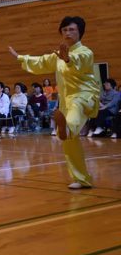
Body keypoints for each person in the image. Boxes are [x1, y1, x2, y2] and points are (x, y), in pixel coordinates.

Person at [9, 16, 100, 189]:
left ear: (80, 32)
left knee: (75, 111)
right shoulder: (57, 55)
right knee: (70, 142)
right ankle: (82, 179)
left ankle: (65, 128)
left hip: (84, 95)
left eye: (72, 29)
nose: (67, 32)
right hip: (65, 99)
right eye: (64, 30)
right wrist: (20, 57)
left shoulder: (85, 52)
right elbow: (41, 61)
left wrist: (68, 59)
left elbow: (79, 62)